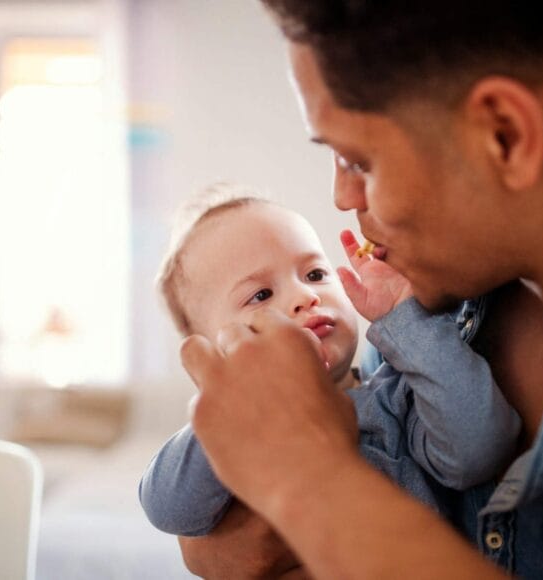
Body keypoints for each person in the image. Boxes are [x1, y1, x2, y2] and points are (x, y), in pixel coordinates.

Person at [176, 1, 543, 578]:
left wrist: (314, 489)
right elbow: (234, 541)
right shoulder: (442, 286)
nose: (343, 198)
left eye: (358, 159)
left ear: (504, 135)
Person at [138, 186, 520, 537]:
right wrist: (230, 400)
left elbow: (479, 448)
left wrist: (404, 318)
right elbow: (168, 509)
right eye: (261, 295)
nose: (305, 295)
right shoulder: (235, 431)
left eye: (315, 273)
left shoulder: (397, 398)